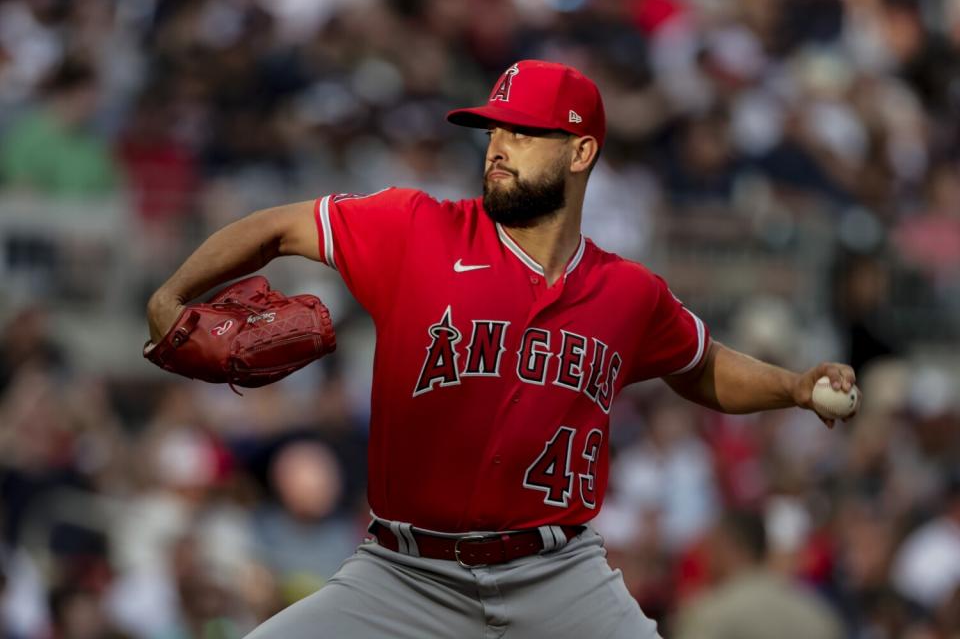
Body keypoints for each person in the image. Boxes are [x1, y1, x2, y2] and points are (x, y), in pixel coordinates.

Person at [146, 60, 859, 639]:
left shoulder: (629, 293)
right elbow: (276, 227)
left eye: (524, 132)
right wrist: (170, 295)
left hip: (559, 580)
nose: (498, 145)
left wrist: (794, 387)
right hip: (403, 575)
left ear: (581, 152)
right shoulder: (416, 230)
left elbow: (702, 368)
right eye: (493, 129)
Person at [672, 509, 843, 639]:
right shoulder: (816, 611)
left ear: (726, 547)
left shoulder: (709, 613)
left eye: (710, 548)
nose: (706, 558)